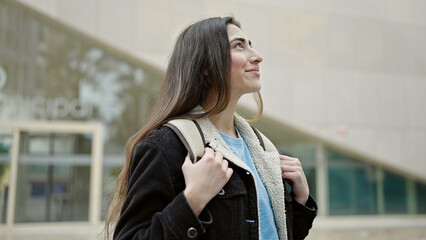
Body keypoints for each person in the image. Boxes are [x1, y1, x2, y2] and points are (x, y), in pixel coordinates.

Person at [105, 16, 317, 240]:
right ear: (206, 67)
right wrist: (193, 199)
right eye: (238, 46)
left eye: (251, 45)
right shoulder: (166, 146)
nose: (257, 56)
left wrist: (300, 202)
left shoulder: (263, 150)